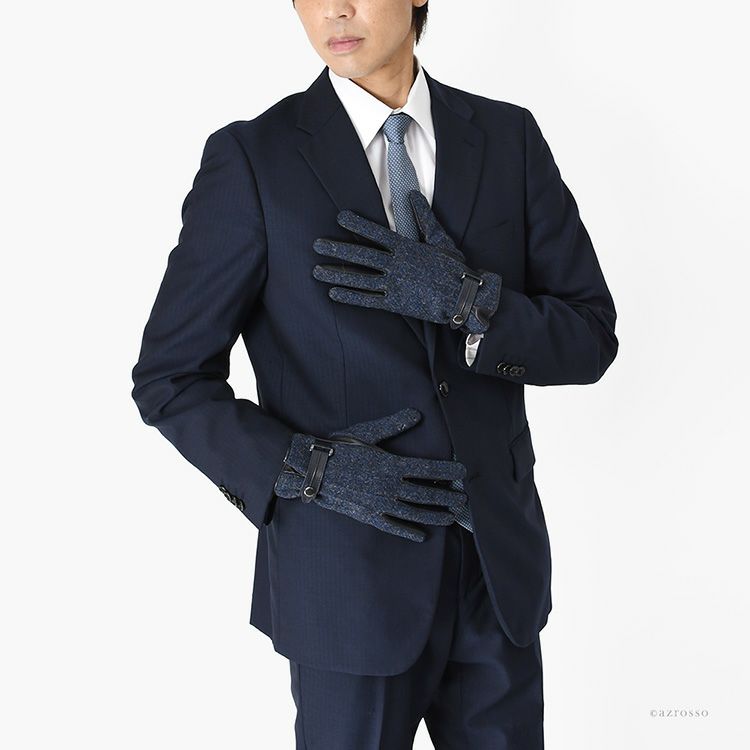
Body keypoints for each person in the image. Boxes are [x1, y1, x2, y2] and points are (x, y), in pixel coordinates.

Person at [131, 1, 618, 747]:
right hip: (344, 583)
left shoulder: (508, 137)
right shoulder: (254, 159)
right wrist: (308, 470)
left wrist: (471, 301)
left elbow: (589, 336)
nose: (336, 9)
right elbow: (170, 378)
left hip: (496, 576)